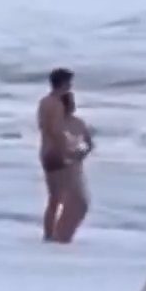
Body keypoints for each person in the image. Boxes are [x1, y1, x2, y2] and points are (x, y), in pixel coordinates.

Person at [37, 68, 74, 241]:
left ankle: (49, 232)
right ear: (63, 83)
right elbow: (56, 130)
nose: (70, 86)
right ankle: (50, 234)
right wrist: (67, 150)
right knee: (57, 198)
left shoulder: (44, 101)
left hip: (44, 150)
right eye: (69, 83)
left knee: (55, 196)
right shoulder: (57, 104)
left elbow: (43, 127)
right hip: (55, 152)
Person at [52, 91, 93, 243]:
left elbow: (89, 144)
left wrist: (82, 153)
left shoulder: (78, 123)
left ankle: (65, 234)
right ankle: (59, 235)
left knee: (81, 202)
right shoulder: (56, 124)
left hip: (76, 166)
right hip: (62, 167)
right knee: (72, 200)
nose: (72, 106)